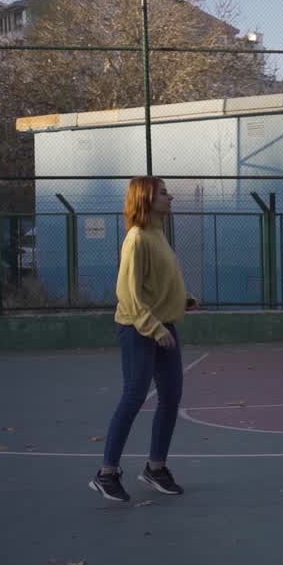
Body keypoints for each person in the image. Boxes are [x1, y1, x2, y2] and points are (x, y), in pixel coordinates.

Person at [89, 176, 196, 502]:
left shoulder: (157, 234)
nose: (171, 197)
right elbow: (128, 293)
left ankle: (155, 468)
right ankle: (106, 474)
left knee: (171, 396)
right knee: (134, 396)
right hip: (138, 329)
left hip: (163, 325)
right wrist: (155, 327)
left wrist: (183, 300)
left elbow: (159, 282)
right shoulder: (136, 239)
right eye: (164, 193)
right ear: (146, 199)